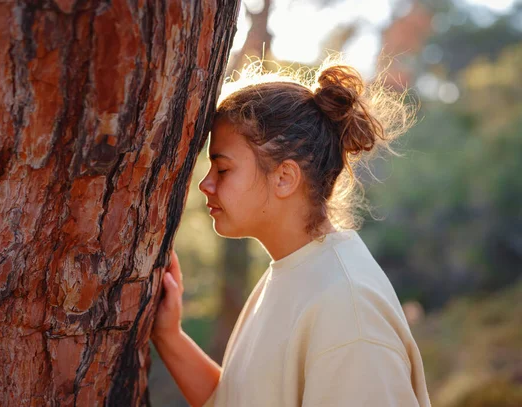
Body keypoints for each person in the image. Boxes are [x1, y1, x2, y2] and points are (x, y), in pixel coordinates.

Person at [150, 58, 431, 407]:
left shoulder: (349, 311)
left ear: (285, 177)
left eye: (222, 168)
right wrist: (168, 336)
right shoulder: (293, 272)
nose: (206, 184)